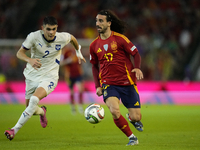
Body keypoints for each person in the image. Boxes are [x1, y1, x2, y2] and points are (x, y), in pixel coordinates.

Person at [4, 16, 86, 141]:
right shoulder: (33, 37)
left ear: (57, 28)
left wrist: (78, 52)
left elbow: (73, 39)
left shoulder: (62, 37)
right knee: (30, 108)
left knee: (34, 99)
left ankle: (14, 130)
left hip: (50, 77)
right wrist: (29, 59)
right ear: (42, 28)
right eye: (48, 29)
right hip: (32, 76)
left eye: (54, 29)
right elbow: (19, 53)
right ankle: (42, 112)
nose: (51, 32)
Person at [89, 10, 144, 146]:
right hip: (109, 83)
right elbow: (95, 67)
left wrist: (137, 67)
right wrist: (98, 85)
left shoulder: (120, 39)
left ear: (109, 23)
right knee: (114, 110)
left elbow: (136, 53)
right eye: (96, 20)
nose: (98, 23)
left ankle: (131, 119)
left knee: (136, 117)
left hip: (127, 82)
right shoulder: (94, 45)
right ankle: (132, 137)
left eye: (101, 21)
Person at [60, 45, 84, 114]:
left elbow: (80, 62)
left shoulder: (77, 51)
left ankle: (80, 106)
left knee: (80, 89)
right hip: (69, 75)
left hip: (78, 74)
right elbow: (61, 63)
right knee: (72, 92)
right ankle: (73, 108)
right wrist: (68, 61)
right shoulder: (65, 52)